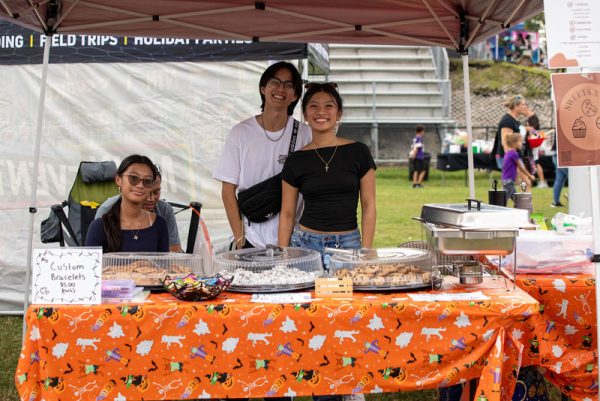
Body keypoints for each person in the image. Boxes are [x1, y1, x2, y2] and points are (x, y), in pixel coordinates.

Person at [278, 82, 375, 401]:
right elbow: (287, 214)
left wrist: (366, 251)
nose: (321, 112)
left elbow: (370, 206)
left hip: (347, 246)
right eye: (314, 106)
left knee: (346, 317)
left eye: (329, 106)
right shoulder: (295, 161)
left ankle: (349, 383)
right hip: (306, 247)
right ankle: (321, 387)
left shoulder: (359, 152)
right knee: (310, 321)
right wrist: (284, 257)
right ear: (305, 114)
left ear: (339, 113)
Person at [213, 61, 312, 249]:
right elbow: (227, 190)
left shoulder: (305, 134)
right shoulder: (240, 132)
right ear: (263, 88)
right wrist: (241, 239)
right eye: (275, 82)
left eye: (289, 85)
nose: (281, 89)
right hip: (251, 238)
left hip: (294, 239)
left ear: (295, 96)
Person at [86, 154, 169, 253]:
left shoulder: (160, 224)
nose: (140, 185)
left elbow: (164, 266)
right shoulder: (99, 227)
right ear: (118, 180)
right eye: (133, 178)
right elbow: (90, 267)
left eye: (147, 181)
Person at [95, 165, 182, 252]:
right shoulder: (106, 210)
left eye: (156, 192)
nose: (151, 199)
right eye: (145, 192)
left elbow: (173, 252)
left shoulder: (165, 211)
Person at [492, 94, 528, 170]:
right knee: (515, 179)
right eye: (523, 104)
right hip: (507, 156)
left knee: (520, 180)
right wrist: (511, 159)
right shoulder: (507, 121)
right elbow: (505, 142)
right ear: (516, 106)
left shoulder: (514, 120)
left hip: (514, 155)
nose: (525, 107)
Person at [502, 133, 535, 204]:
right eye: (520, 141)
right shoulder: (514, 154)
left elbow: (512, 168)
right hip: (509, 181)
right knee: (503, 201)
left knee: (516, 200)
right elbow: (521, 167)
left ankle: (524, 211)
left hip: (507, 180)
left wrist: (517, 179)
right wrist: (529, 176)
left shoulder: (508, 153)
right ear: (514, 143)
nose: (521, 143)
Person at [523, 105, 547, 188]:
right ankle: (530, 180)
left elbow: (533, 130)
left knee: (536, 162)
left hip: (534, 144)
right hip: (530, 144)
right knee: (530, 162)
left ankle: (542, 181)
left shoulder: (533, 118)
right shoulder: (530, 118)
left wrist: (523, 128)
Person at [552, 132, 568, 208]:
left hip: (556, 154)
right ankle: (571, 196)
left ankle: (555, 202)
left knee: (559, 180)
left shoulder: (560, 124)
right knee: (574, 179)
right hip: (563, 155)